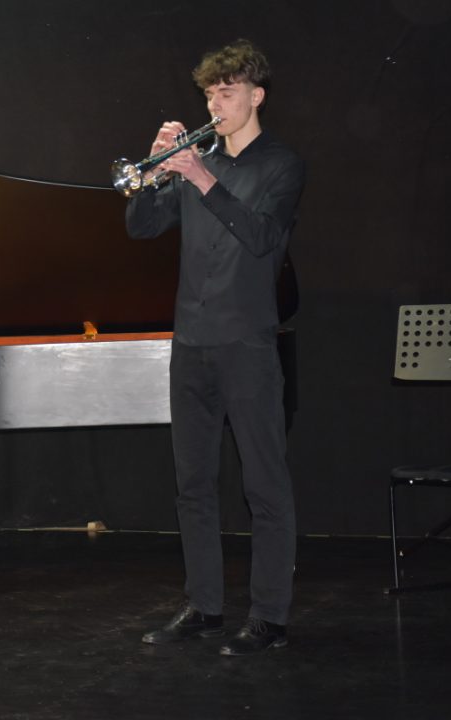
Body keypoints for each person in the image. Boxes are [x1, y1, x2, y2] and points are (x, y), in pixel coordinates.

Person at [125, 39, 304, 655]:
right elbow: (140, 227)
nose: (215, 105)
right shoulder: (195, 162)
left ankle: (270, 618)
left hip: (247, 344)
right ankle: (204, 607)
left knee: (264, 485)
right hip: (192, 343)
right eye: (209, 95)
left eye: (226, 93)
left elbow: (263, 238)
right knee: (193, 485)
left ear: (256, 96)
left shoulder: (280, 165)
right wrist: (155, 172)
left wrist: (201, 177)